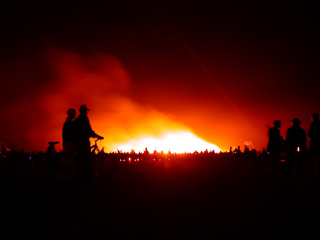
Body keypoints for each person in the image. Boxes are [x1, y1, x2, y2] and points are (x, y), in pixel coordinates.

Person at [74, 104, 104, 182]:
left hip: (77, 142)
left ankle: (79, 176)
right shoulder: (85, 119)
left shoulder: (77, 120)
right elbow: (89, 130)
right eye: (86, 111)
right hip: (84, 142)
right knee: (87, 159)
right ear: (84, 112)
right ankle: (88, 177)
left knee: (80, 160)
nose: (86, 113)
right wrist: (97, 136)